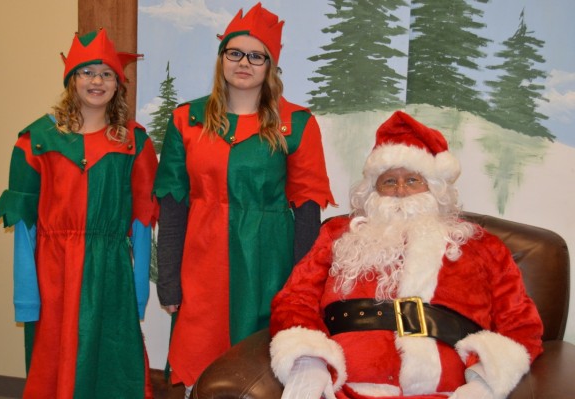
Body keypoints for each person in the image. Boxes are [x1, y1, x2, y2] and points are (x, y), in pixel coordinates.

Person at [269, 110, 543, 399]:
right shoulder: (338, 234)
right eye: (388, 181)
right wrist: (309, 364)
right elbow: (294, 300)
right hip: (345, 388)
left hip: (448, 393)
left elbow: (521, 325)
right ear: (372, 190)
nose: (400, 191)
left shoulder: (483, 246)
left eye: (413, 180)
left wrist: (483, 384)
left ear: (435, 188)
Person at [152, 2, 335, 393]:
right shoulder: (187, 119)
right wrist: (168, 282)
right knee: (200, 366)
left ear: (270, 66)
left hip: (268, 264)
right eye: (235, 52)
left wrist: (301, 290)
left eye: (257, 55)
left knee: (260, 370)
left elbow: (307, 213)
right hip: (202, 264)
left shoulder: (297, 123)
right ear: (221, 59)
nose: (244, 63)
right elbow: (173, 206)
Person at [0, 28, 158, 399]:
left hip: (111, 271)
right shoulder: (35, 139)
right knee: (56, 361)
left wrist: (137, 293)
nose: (96, 81)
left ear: (118, 83)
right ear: (71, 80)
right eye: (86, 72)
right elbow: (24, 225)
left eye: (106, 74)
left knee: (112, 364)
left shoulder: (134, 142)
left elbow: (143, 220)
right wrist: (26, 296)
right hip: (53, 271)